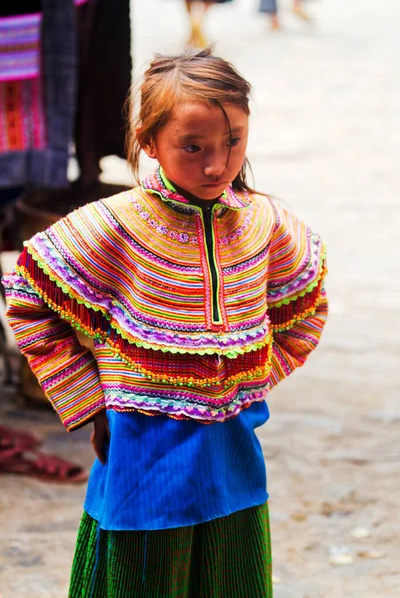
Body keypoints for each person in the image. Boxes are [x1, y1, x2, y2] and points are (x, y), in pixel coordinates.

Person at [3, 48, 328, 596]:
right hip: (141, 457)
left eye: (233, 142)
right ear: (149, 142)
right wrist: (91, 397)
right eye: (192, 147)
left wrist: (253, 376)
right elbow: (28, 293)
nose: (216, 165)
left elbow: (307, 301)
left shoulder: (264, 224)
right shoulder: (115, 225)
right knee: (141, 581)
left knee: (231, 579)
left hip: (232, 457)